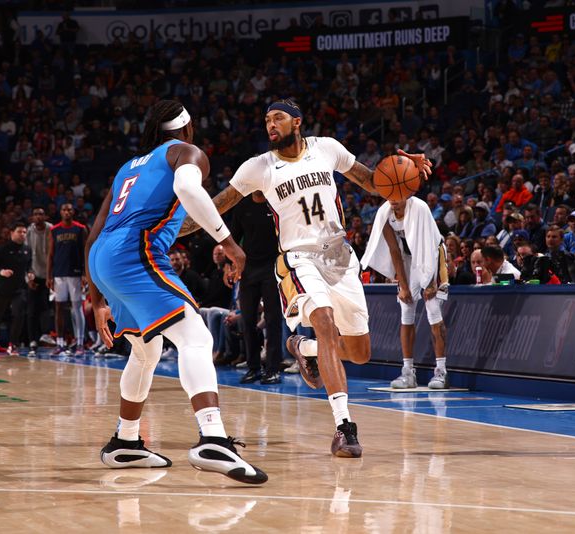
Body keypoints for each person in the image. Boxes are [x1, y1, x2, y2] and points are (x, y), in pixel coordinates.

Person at [179, 99, 431, 457]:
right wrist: (173, 227)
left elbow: (374, 184)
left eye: (278, 118)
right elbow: (215, 204)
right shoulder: (258, 167)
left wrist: (408, 171)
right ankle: (344, 428)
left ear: (297, 122)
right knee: (325, 324)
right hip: (299, 258)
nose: (271, 125)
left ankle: (302, 347)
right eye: (267, 120)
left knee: (359, 354)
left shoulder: (327, 148)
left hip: (340, 257)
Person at [86, 100, 266, 484]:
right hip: (136, 251)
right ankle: (213, 439)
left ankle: (126, 442)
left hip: (104, 257)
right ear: (187, 129)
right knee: (195, 335)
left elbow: (94, 231)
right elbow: (187, 188)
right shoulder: (187, 153)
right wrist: (229, 243)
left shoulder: (126, 168)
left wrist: (97, 299)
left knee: (145, 350)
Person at [361, 196, 450, 389]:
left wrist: (430, 282)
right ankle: (408, 372)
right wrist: (403, 285)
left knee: (434, 312)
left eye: (397, 195)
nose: (392, 200)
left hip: (432, 257)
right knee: (406, 313)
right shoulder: (385, 213)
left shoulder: (420, 207)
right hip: (408, 259)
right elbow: (394, 250)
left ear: (407, 194)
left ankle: (441, 372)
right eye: (389, 195)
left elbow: (430, 245)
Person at [229, 193, 283, 384]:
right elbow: (232, 239)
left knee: (273, 319)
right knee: (248, 320)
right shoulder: (242, 207)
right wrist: (231, 266)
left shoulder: (276, 203)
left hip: (272, 268)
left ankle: (273, 369)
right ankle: (253, 368)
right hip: (248, 269)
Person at [0, 223, 33, 358]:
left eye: (24, 232)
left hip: (19, 289)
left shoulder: (27, 249)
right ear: (12, 233)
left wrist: (30, 273)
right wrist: (1, 271)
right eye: (19, 232)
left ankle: (13, 344)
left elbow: (29, 265)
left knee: (19, 315)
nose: (22, 234)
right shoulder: (2, 249)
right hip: (2, 289)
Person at [47, 203, 88, 356]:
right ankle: (60, 343)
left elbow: (86, 252)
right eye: (64, 209)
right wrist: (49, 275)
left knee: (77, 308)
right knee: (59, 308)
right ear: (60, 212)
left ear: (73, 211)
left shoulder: (80, 228)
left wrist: (85, 273)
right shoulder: (54, 230)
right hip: (58, 274)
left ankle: (80, 343)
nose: (67, 212)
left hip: (76, 274)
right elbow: (50, 254)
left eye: (69, 209)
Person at [26, 206, 52, 355]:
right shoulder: (29, 231)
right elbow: (27, 255)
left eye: (41, 214)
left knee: (47, 308)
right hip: (34, 275)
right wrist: (28, 276)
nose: (38, 217)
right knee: (31, 310)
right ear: (32, 217)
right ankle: (32, 341)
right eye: (35, 214)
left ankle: (47, 336)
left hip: (49, 274)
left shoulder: (51, 229)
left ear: (45, 216)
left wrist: (51, 275)